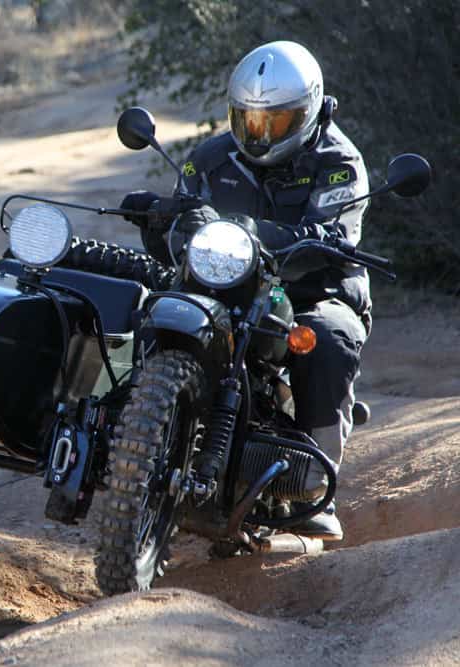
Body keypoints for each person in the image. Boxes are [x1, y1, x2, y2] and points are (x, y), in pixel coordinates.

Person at [122, 41, 372, 541]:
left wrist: (254, 232)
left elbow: (335, 239)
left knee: (327, 339)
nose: (260, 134)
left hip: (310, 289)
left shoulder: (339, 163)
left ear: (307, 110)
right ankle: (130, 439)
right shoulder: (210, 159)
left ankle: (314, 482)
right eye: (249, 120)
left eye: (276, 122)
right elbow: (182, 228)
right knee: (153, 311)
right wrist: (163, 220)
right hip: (223, 285)